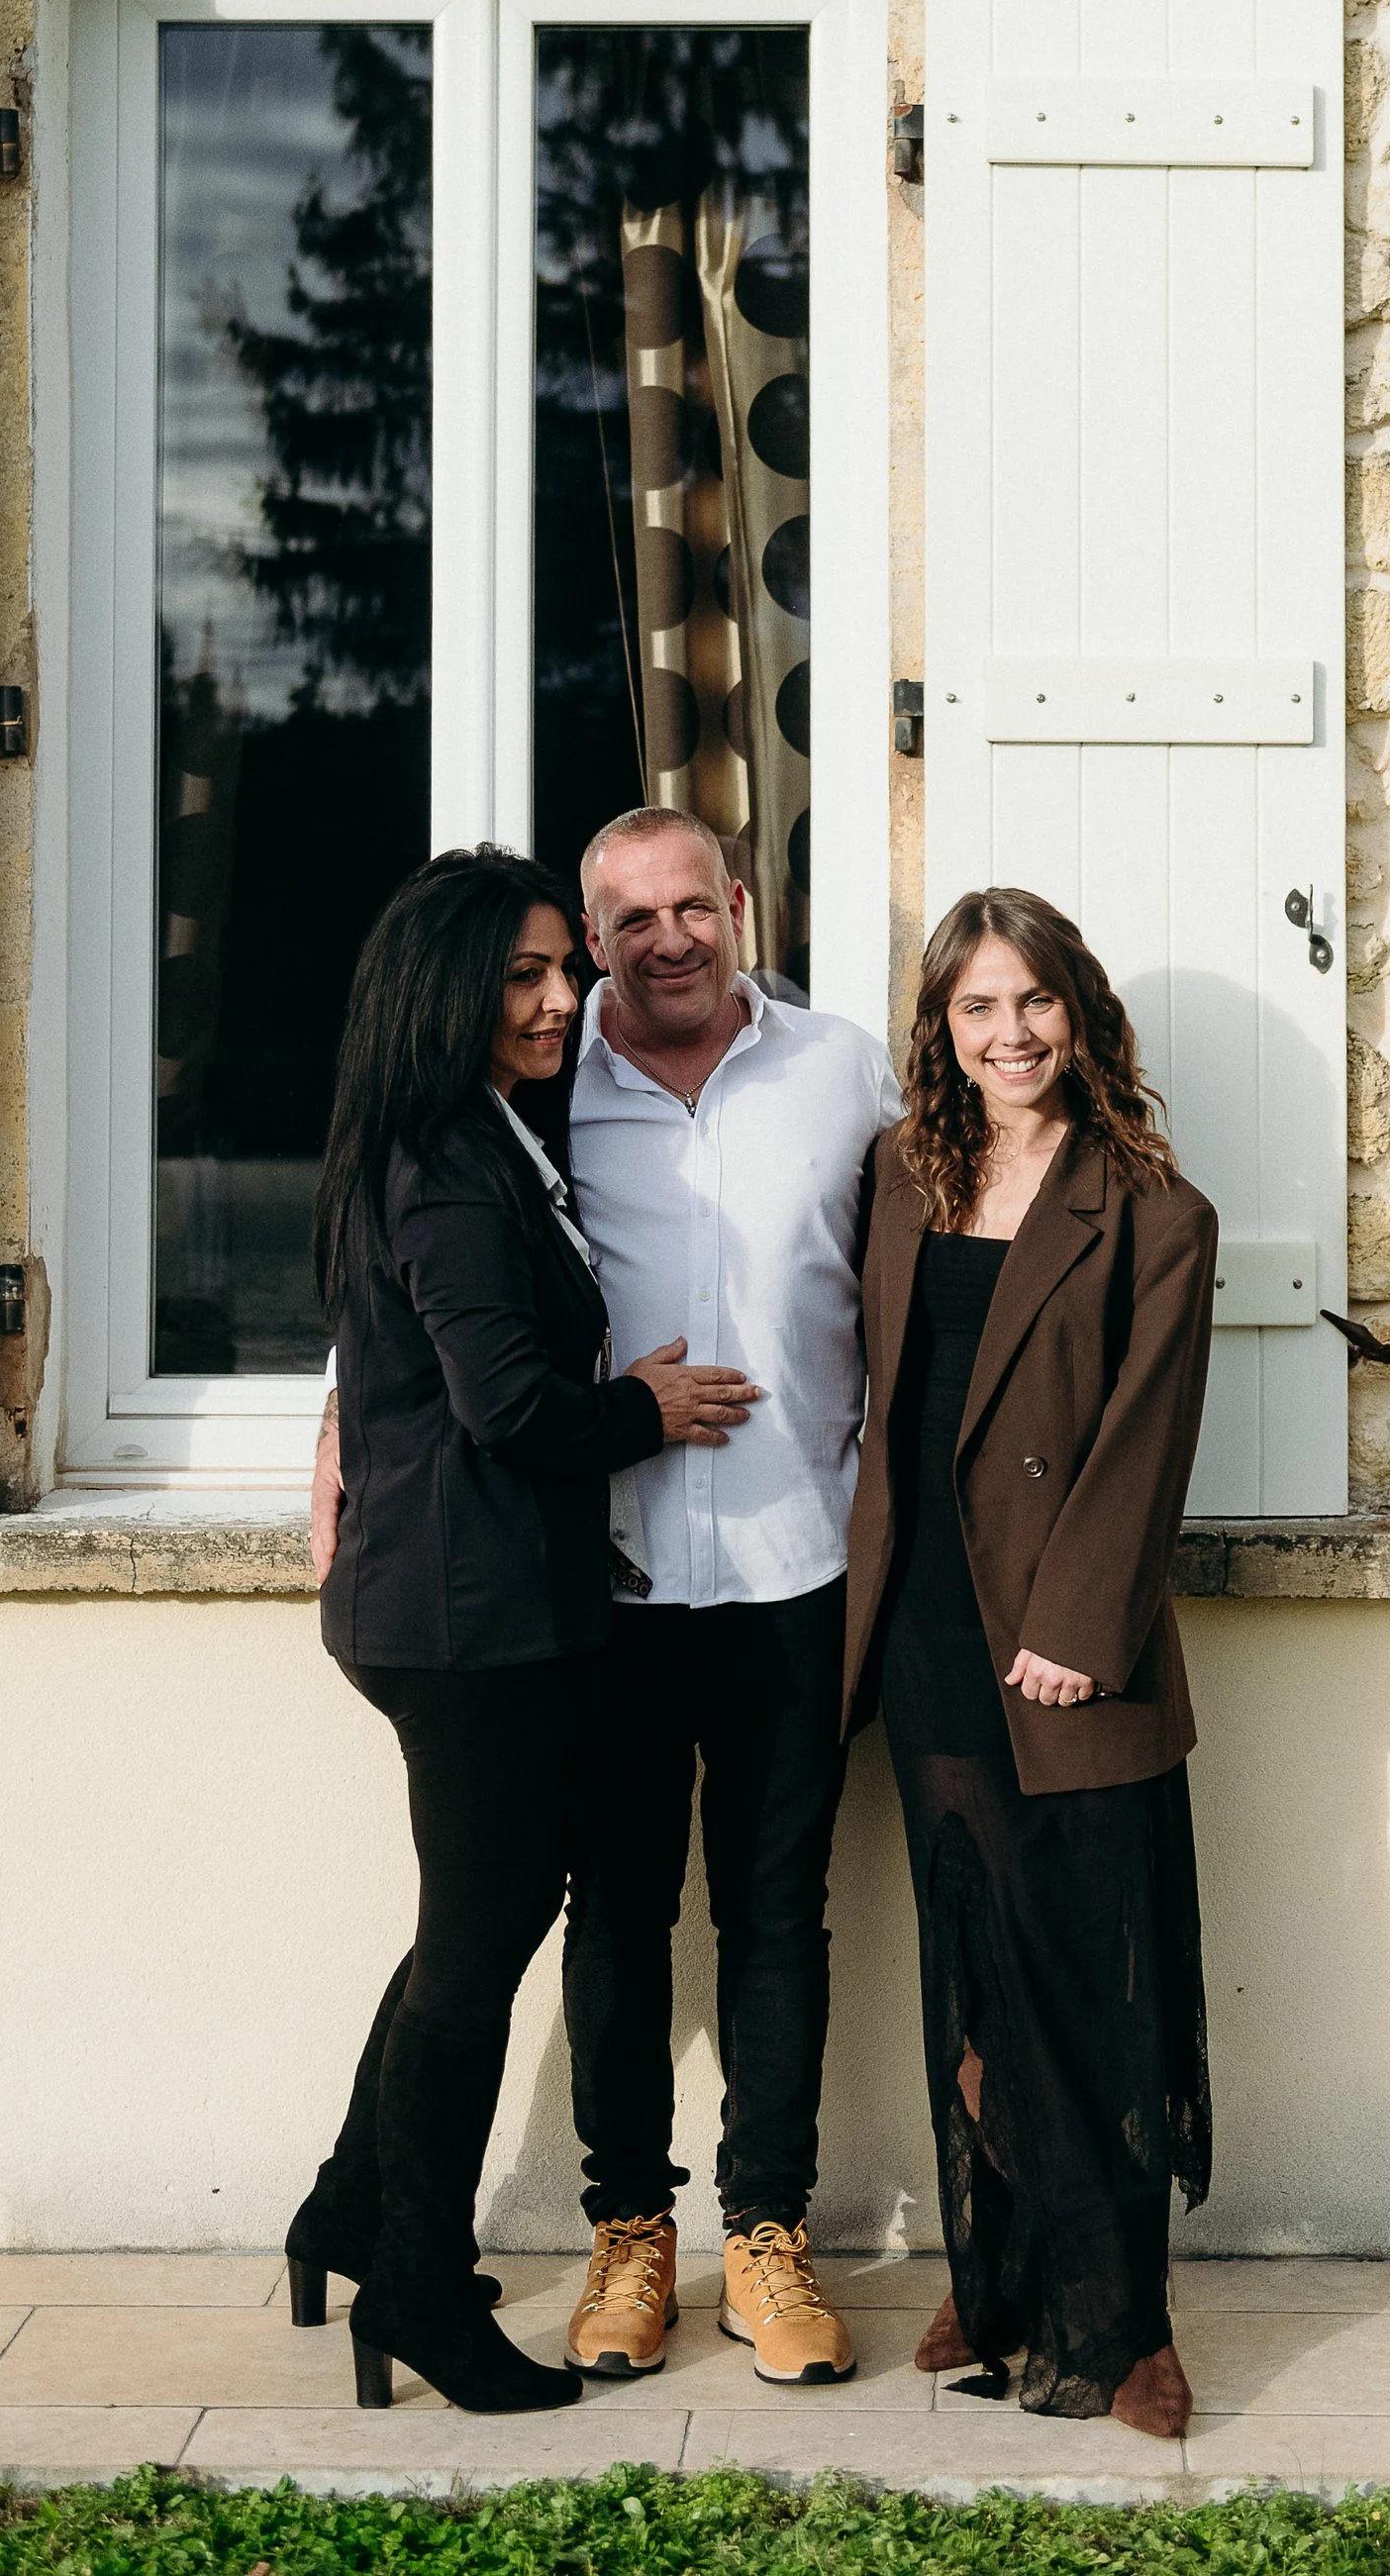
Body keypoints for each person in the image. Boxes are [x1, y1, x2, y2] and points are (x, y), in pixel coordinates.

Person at [286, 845, 759, 2416]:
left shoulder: (482, 1132)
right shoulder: (442, 1151)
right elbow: (504, 1406)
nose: (567, 998)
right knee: (481, 1949)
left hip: (463, 1594)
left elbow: (405, 1362)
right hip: (464, 1612)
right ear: (449, 991)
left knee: (466, 1926)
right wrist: (651, 1404)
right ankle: (415, 2280)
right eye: (527, 975)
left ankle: (352, 2208)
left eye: (569, 967)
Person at [842, 887, 1217, 2437]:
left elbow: (1144, 1440)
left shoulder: (1150, 1205)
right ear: (941, 1025)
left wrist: (1076, 1625)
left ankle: (1120, 2317)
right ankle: (993, 2273)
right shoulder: (899, 1170)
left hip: (1063, 1640)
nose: (1009, 1034)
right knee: (974, 1967)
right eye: (978, 1007)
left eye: (1034, 1002)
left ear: (1082, 1011)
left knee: (1080, 1977)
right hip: (925, 1613)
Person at [555, 805, 901, 2388]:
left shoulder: (842, 1068)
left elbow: (947, 1247)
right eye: (632, 920)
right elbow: (422, 1247)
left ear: (742, 904)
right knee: (617, 1912)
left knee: (778, 1916)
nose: (669, 939)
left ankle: (768, 2235)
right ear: (594, 932)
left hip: (792, 1568)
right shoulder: (546, 1084)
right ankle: (631, 2232)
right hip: (605, 1576)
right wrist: (349, 1406)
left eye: (694, 906)